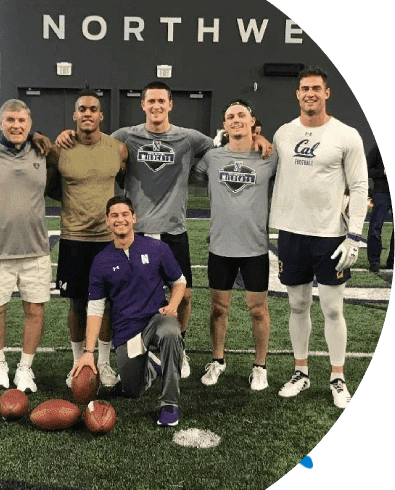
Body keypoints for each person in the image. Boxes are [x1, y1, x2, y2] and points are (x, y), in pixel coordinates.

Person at [58, 82, 271, 378]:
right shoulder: (125, 137)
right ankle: (135, 351)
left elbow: (229, 150)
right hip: (138, 231)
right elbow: (93, 140)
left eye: (162, 101)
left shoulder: (189, 138)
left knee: (183, 296)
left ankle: (177, 347)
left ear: (170, 105)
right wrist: (68, 134)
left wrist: (257, 138)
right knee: (131, 297)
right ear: (143, 105)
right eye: (151, 101)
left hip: (173, 230)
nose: (156, 106)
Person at [270, 67, 369, 409]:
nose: (309, 93)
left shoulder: (346, 135)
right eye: (303, 89)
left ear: (327, 93)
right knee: (297, 305)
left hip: (331, 237)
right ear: (297, 94)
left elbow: (358, 187)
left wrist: (354, 235)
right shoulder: (283, 133)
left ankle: (337, 377)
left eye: (315, 88)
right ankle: (301, 371)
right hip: (292, 233)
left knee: (331, 308)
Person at [69, 196, 187, 427]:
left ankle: (169, 404)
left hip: (156, 320)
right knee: (132, 390)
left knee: (172, 334)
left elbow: (179, 281)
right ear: (107, 221)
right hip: (127, 331)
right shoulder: (101, 260)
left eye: (125, 214)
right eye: (114, 215)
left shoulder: (156, 248)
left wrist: (173, 305)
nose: (120, 219)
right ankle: (152, 366)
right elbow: (95, 307)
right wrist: (88, 351)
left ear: (134, 218)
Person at [46, 91, 128, 387]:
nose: (88, 113)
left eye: (93, 109)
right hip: (73, 238)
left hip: (108, 239)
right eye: (82, 109)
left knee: (107, 305)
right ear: (75, 115)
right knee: (77, 305)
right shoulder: (61, 149)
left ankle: (104, 364)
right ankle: (78, 362)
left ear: (101, 115)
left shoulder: (117, 149)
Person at [194, 101, 278, 390]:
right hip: (220, 247)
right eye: (230, 117)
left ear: (253, 121)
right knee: (218, 308)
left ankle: (260, 366)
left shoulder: (269, 156)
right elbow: (191, 167)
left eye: (241, 115)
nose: (236, 120)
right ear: (225, 125)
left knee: (258, 310)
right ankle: (217, 361)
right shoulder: (212, 158)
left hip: (255, 247)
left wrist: (261, 140)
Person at [0, 99, 52, 393]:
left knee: (35, 309)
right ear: (0, 123)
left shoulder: (42, 151)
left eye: (21, 121)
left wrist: (38, 137)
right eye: (10, 120)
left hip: (35, 249)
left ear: (30, 124)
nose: (16, 125)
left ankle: (25, 368)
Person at [366, 144, 393, 272]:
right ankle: (374, 261)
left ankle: (392, 260)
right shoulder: (377, 148)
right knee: (375, 226)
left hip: (382, 193)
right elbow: (365, 169)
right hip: (381, 192)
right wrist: (382, 172)